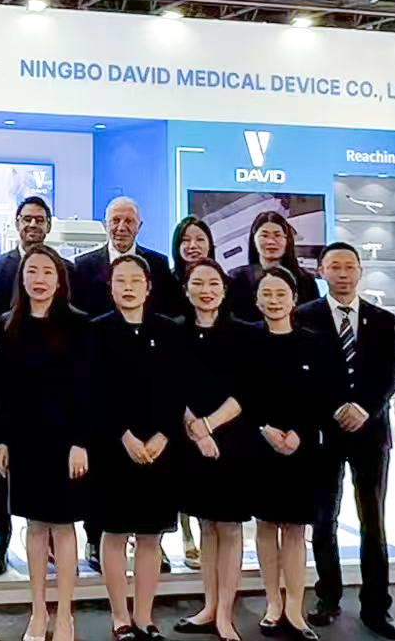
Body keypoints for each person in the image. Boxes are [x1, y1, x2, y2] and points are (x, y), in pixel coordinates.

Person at [301, 243, 395, 641]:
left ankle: (377, 608)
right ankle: (327, 597)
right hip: (325, 433)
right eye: (335, 266)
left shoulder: (382, 320)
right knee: (323, 519)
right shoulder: (305, 316)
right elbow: (305, 374)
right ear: (321, 271)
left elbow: (391, 373)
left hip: (371, 432)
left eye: (349, 267)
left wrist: (364, 407)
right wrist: (334, 408)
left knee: (372, 522)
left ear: (360, 272)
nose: (343, 274)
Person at [238, 267, 346, 641]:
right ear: (256, 300)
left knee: (296, 531)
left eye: (281, 293)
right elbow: (242, 394)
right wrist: (265, 429)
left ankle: (295, 609)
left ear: (294, 299)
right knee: (267, 527)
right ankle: (272, 604)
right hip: (261, 444)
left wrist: (300, 433)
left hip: (303, 447)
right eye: (266, 294)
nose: (274, 300)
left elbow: (324, 396)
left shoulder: (315, 342)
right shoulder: (247, 340)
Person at [0, 244, 91, 641]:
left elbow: (86, 389)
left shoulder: (79, 324)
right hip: (25, 439)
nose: (39, 279)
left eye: (47, 272)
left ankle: (65, 614)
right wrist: (1, 441)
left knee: (64, 527)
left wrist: (81, 442)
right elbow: (4, 391)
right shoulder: (8, 325)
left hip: (66, 441)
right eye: (31, 271)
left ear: (59, 280)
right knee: (34, 526)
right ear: (22, 278)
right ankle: (38, 612)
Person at [91, 253, 183, 641]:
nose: (128, 287)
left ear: (149, 288)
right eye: (120, 281)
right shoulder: (96, 331)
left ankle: (144, 617)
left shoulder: (169, 331)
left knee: (150, 536)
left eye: (135, 281)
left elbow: (177, 390)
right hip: (113, 447)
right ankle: (120, 617)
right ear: (110, 288)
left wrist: (164, 435)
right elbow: (93, 392)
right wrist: (124, 436)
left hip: (160, 447)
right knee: (113, 533)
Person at [0, 196, 64, 575]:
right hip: (13, 380)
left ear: (48, 225)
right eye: (26, 219)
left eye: (39, 219)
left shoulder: (65, 267)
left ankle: (50, 541)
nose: (32, 225)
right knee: (3, 472)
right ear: (16, 223)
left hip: (53, 389)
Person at [173, 259, 250, 641]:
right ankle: (208, 606)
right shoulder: (175, 332)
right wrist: (195, 429)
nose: (206, 290)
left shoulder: (241, 333)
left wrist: (209, 426)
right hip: (192, 442)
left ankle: (225, 614)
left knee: (230, 528)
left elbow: (247, 390)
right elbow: (172, 387)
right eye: (198, 283)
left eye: (213, 283)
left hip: (231, 439)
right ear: (186, 290)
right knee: (205, 525)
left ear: (224, 289)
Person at [170, 215, 217, 572]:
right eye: (185, 240)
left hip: (215, 400)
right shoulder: (165, 282)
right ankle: (186, 536)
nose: (192, 245)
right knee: (179, 471)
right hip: (176, 395)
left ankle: (207, 535)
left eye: (199, 239)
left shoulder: (220, 282)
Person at [73, 196, 178, 320]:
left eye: (129, 221)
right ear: (105, 225)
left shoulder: (158, 264)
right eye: (115, 220)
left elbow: (166, 311)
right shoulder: (83, 266)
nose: (121, 228)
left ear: (139, 227)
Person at [226, 211, 321, 322]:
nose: (271, 241)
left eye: (277, 235)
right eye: (264, 235)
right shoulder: (237, 278)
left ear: (287, 239)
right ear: (254, 239)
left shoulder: (305, 281)